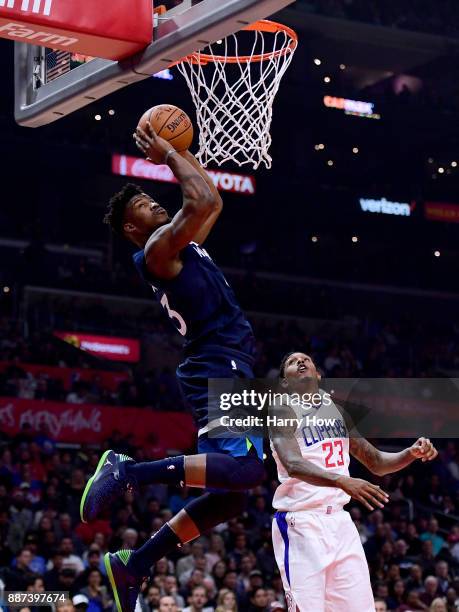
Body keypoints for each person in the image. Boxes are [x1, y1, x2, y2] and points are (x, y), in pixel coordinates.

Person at [80, 123, 264, 612]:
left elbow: (212, 203)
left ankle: (134, 563)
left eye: (148, 196)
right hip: (216, 363)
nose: (152, 202)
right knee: (246, 469)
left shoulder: (177, 243)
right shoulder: (158, 251)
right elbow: (202, 202)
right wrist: (168, 152)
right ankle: (129, 471)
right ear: (130, 228)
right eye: (141, 202)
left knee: (231, 497)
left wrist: (182, 155)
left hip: (225, 363)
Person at [269, 351, 439, 612]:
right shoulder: (281, 408)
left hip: (340, 523)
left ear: (318, 374)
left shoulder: (338, 412)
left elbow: (377, 462)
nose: (300, 362)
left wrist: (411, 453)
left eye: (306, 360)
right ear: (284, 382)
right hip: (301, 522)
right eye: (292, 362)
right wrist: (342, 481)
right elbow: (292, 463)